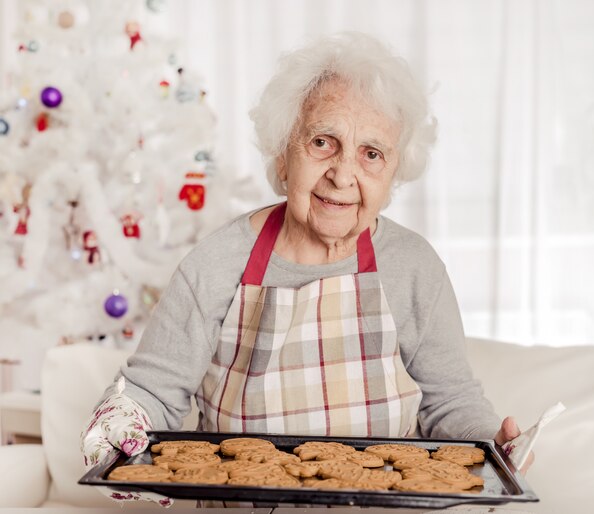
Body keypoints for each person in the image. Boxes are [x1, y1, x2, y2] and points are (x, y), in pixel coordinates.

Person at [80, 32, 532, 502]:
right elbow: (154, 390)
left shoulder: (414, 266)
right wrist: (122, 421)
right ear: (284, 151)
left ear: (394, 173)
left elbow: (450, 401)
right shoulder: (215, 263)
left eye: (371, 154)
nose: (342, 174)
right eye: (322, 142)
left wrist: (493, 444)